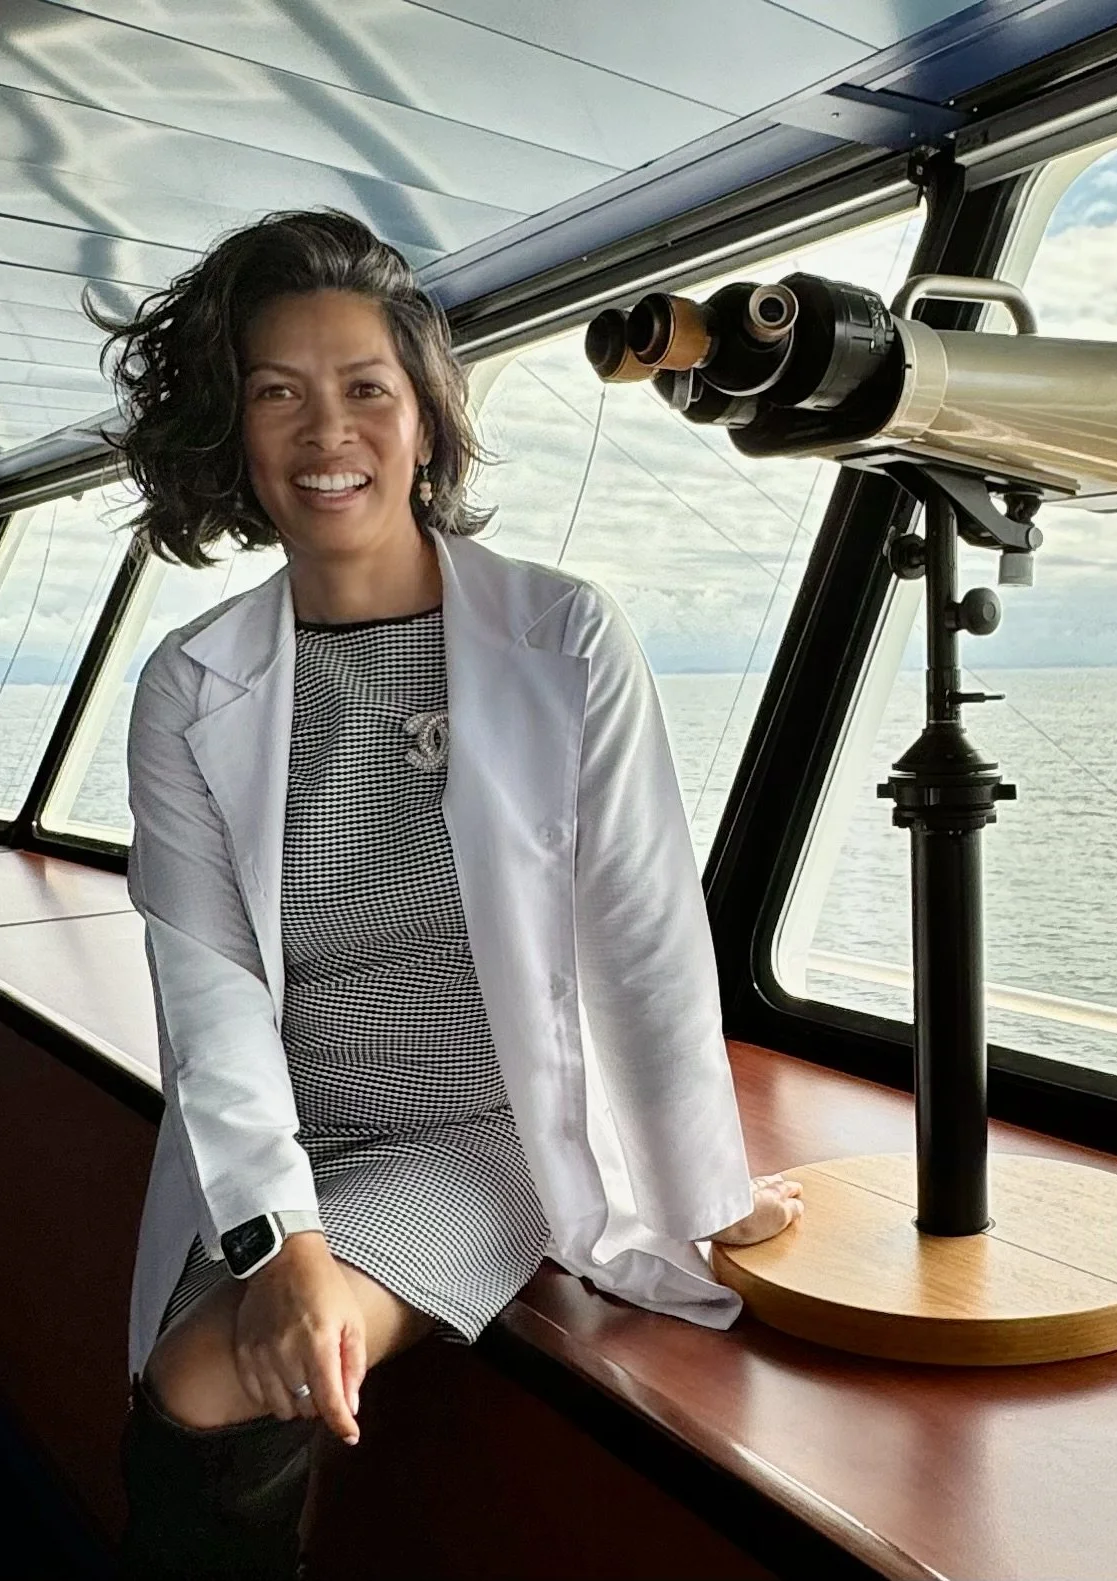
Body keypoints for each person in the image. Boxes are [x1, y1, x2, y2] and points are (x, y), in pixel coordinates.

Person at [96, 208, 804, 1580]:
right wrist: (281, 1229)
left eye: (366, 388)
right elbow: (211, 987)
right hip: (285, 1131)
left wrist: (701, 1189)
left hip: (479, 1125)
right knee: (195, 1379)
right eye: (277, 393)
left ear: (426, 417)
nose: (327, 431)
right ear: (234, 438)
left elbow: (646, 932)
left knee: (206, 1385)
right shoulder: (189, 686)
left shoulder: (561, 635)